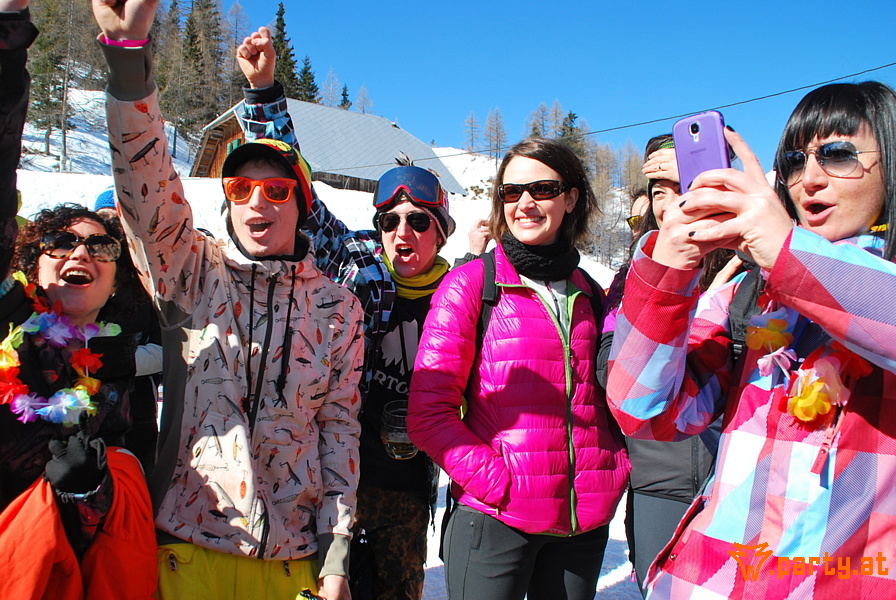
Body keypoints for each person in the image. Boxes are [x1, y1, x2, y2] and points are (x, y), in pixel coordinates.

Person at [91, 2, 365, 599]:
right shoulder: (191, 274)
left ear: (303, 204)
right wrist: (130, 62)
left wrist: (337, 555)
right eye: (241, 188)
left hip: (294, 559)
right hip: (189, 549)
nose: (258, 202)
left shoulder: (340, 310)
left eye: (276, 189)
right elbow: (147, 191)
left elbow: (339, 431)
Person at [607, 81, 896, 598]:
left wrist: (788, 249)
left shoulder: (861, 279)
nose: (809, 180)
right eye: (794, 160)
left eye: (837, 154)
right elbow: (643, 410)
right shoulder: (750, 292)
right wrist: (669, 268)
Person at [235, 27, 456, 600]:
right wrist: (262, 95)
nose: (401, 232)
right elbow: (297, 193)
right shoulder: (357, 265)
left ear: (441, 232)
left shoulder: (464, 294)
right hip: (333, 479)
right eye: (390, 221)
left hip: (407, 486)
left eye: (419, 221)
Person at [408, 137, 630, 600]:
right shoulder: (470, 286)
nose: (525, 203)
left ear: (571, 199)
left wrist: (612, 465)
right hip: (496, 519)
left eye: (542, 189)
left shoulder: (591, 292)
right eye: (511, 193)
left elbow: (611, 395)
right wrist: (498, 481)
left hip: (581, 524)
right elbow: (429, 415)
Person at [0, 5, 156, 598]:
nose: (81, 252)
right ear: (31, 262)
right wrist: (8, 39)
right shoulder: (8, 327)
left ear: (118, 280)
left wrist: (89, 496)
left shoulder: (127, 354)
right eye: (61, 241)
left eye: (101, 246)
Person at [93, 185, 164, 473]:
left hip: (136, 413)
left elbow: (166, 350)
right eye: (104, 218)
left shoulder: (147, 282)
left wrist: (106, 359)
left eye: (119, 220)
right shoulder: (78, 276)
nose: (112, 228)